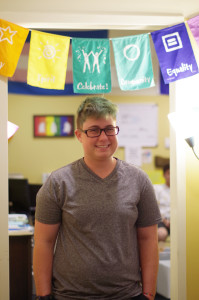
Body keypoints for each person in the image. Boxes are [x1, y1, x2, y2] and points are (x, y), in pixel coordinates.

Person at [33, 96, 161, 300]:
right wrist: (43, 295)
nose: (103, 138)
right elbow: (44, 242)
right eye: (93, 130)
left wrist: (148, 293)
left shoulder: (139, 180)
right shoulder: (58, 183)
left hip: (127, 294)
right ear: (79, 135)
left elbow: (148, 239)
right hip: (69, 295)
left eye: (109, 129)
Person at [154, 164, 170, 242]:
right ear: (164, 175)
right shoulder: (157, 188)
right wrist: (165, 221)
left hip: (176, 221)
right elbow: (154, 208)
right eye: (169, 173)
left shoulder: (181, 190)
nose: (171, 176)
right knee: (161, 234)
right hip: (162, 220)